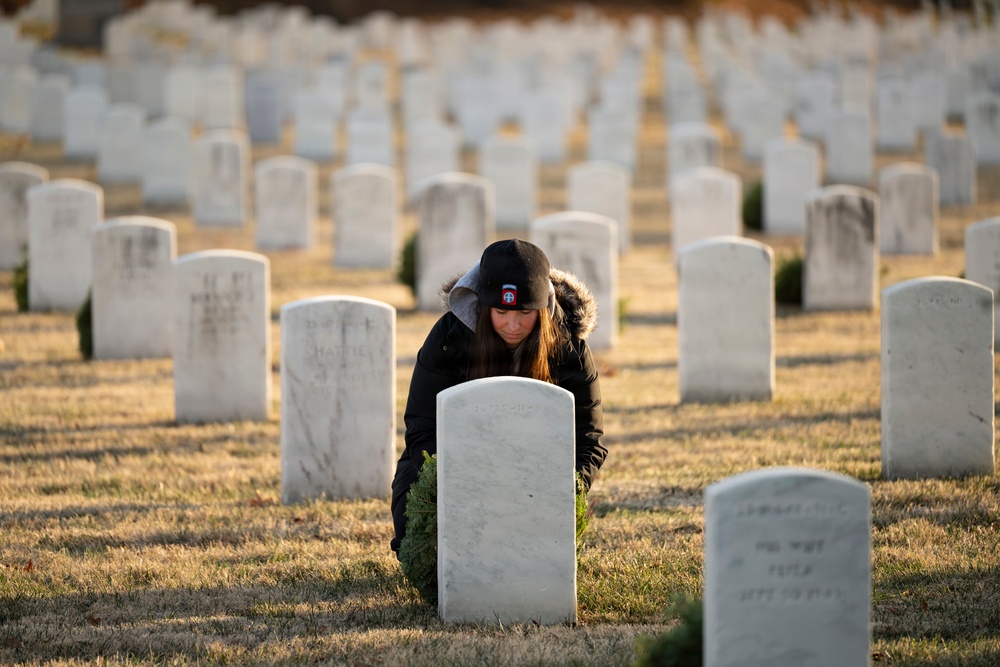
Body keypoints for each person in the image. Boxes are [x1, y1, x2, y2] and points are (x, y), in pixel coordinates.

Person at [390, 238, 607, 555]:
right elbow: (422, 425)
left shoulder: (568, 345)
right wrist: (459, 483)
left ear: (544, 308)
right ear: (481, 305)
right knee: (417, 540)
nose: (513, 325)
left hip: (538, 471)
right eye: (502, 311)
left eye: (524, 312)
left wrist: (563, 489)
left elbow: (589, 437)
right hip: (453, 464)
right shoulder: (449, 338)